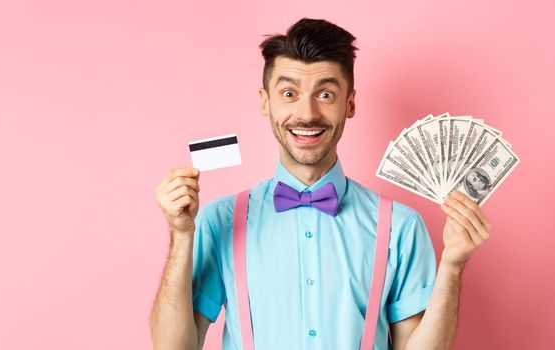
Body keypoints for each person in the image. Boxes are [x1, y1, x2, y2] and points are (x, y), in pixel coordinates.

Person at [150, 18, 491, 349]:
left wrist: (453, 266)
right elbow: (173, 347)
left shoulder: (401, 227)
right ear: (265, 102)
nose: (308, 113)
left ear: (350, 103)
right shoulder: (219, 221)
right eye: (289, 93)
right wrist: (181, 237)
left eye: (325, 94)